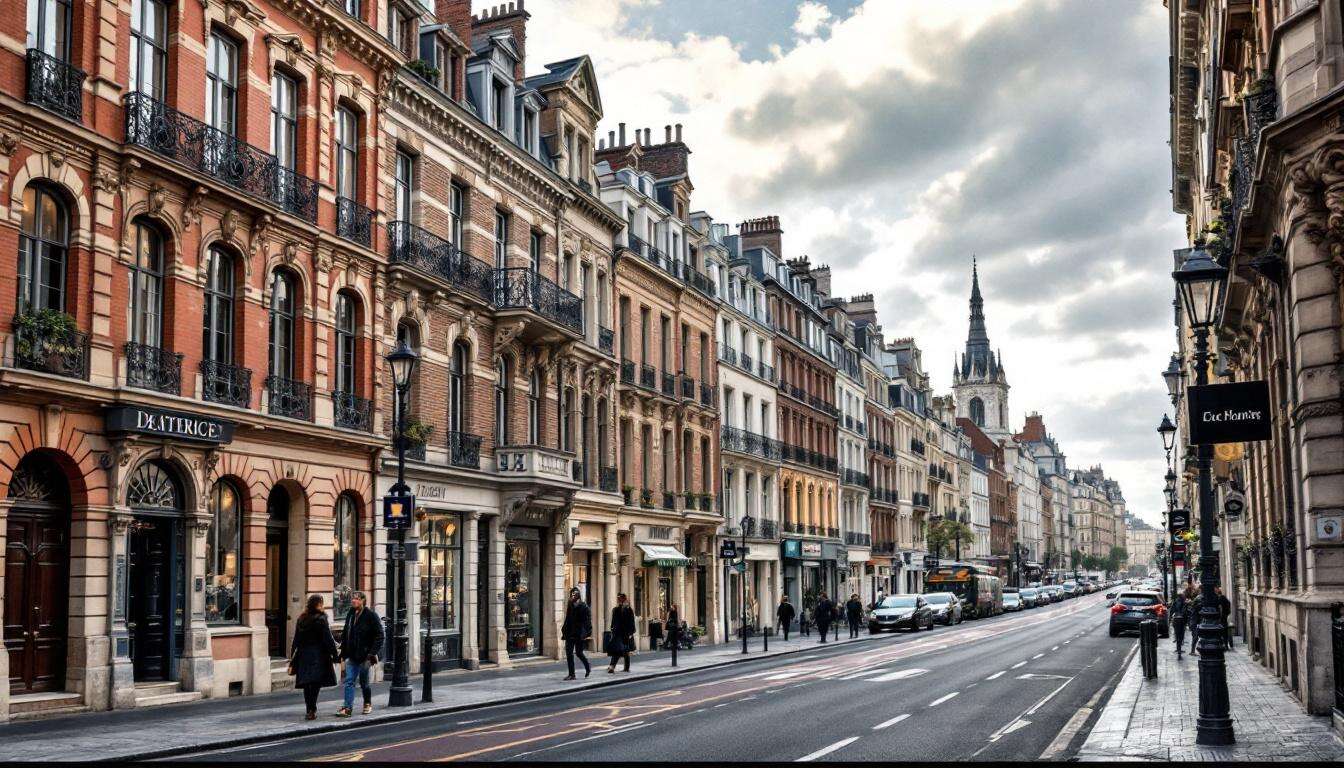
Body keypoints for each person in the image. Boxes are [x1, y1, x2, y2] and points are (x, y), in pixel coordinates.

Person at [289, 594, 338, 721]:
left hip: (303, 655)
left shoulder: (301, 619)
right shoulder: (321, 619)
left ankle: (309, 709)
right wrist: (335, 654)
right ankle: (312, 709)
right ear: (318, 604)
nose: (322, 605)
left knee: (307, 683)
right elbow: (328, 639)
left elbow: (296, 639)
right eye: (321, 603)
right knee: (316, 683)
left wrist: (292, 656)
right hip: (318, 655)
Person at [336, 591, 383, 717]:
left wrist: (372, 653)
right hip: (352, 654)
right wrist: (343, 652)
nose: (353, 601)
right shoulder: (351, 614)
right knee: (349, 681)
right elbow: (346, 632)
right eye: (353, 598)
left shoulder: (371, 615)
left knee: (364, 682)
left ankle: (367, 703)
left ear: (363, 600)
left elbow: (380, 635)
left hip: (365, 656)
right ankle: (347, 708)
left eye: (356, 599)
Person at [561, 587, 592, 680]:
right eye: (571, 595)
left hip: (579, 634)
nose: (572, 597)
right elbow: (567, 618)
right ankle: (572, 674)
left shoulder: (584, 607)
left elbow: (588, 622)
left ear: (578, 596)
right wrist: (564, 629)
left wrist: (586, 633)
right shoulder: (570, 605)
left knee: (579, 653)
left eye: (574, 595)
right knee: (569, 653)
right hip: (570, 633)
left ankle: (587, 666)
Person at [607, 592, 636, 673]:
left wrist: (631, 632)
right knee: (618, 649)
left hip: (625, 633)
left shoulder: (628, 609)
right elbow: (613, 621)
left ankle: (623, 667)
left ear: (623, 599)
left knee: (625, 651)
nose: (618, 600)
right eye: (618, 598)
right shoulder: (616, 609)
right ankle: (613, 666)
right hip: (617, 633)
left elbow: (631, 621)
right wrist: (612, 628)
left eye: (620, 598)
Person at [1183, 585, 1201, 655]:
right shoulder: (1197, 599)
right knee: (1195, 637)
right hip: (1195, 621)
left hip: (1195, 621)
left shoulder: (1196, 600)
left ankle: (1193, 650)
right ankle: (1192, 651)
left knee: (1196, 637)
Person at [1170, 589, 1188, 656]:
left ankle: (1178, 649)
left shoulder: (1175, 602)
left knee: (1177, 635)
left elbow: (1172, 611)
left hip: (1176, 619)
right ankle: (1179, 649)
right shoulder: (1184, 603)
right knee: (1181, 635)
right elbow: (1185, 612)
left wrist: (1170, 619)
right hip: (1182, 620)